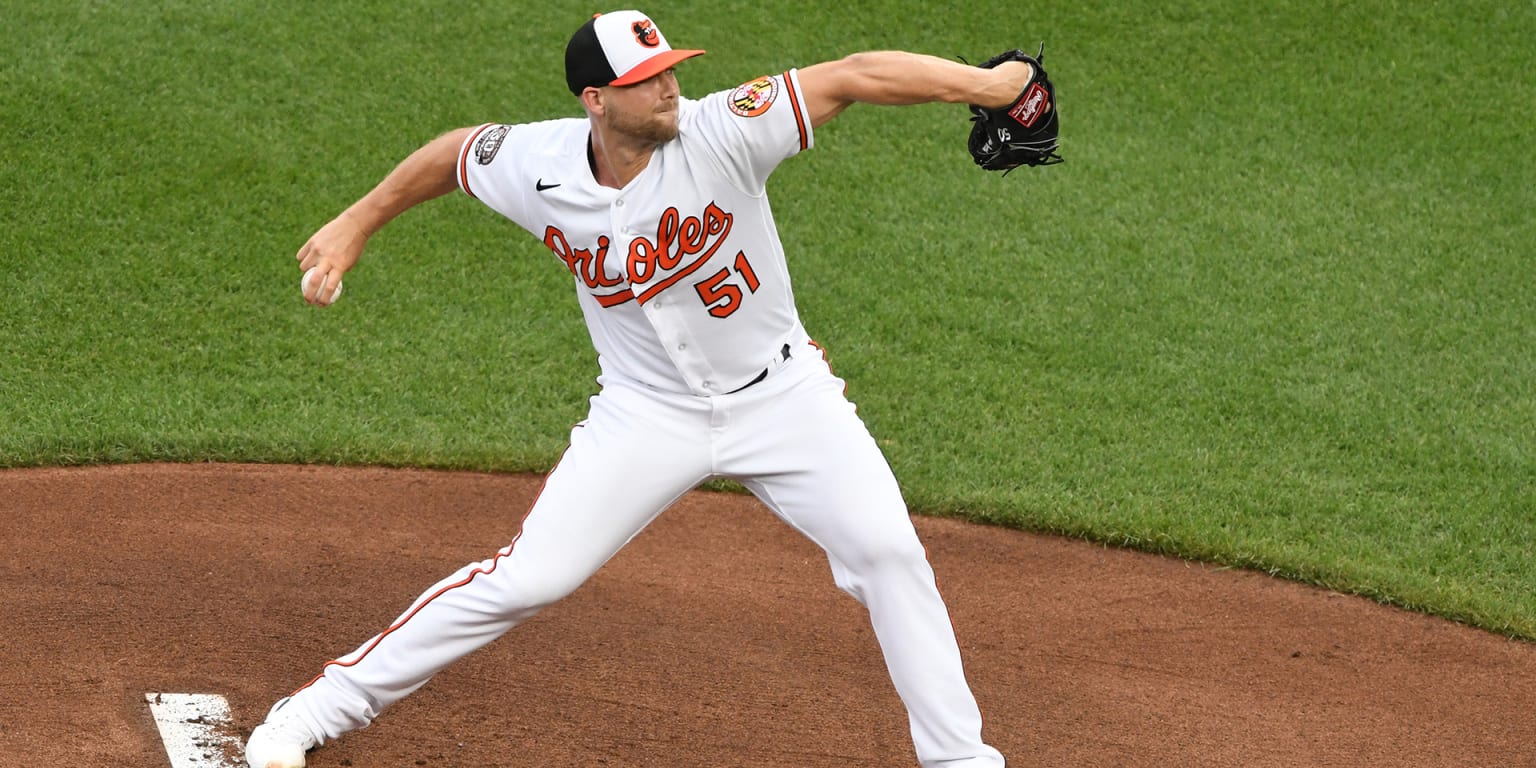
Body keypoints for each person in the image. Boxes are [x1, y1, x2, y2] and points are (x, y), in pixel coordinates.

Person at [249, 9, 1039, 768]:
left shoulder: (724, 129)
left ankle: (962, 760)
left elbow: (855, 75)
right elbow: (456, 154)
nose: (669, 89)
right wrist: (359, 221)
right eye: (647, 79)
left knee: (889, 553)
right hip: (645, 414)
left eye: (670, 70)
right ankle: (313, 711)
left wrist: (990, 84)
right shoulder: (539, 163)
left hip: (786, 400)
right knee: (531, 577)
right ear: (596, 100)